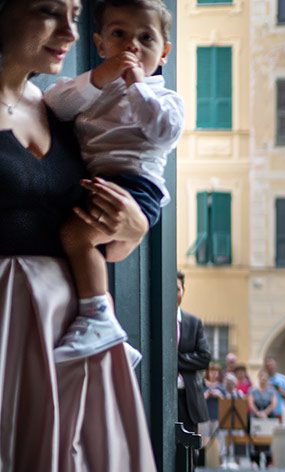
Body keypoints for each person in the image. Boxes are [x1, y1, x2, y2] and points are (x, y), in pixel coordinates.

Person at [0, 1, 173, 472]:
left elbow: (126, 213)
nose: (74, 36)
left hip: (67, 334)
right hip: (8, 334)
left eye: (76, 15)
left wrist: (139, 221)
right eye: (52, 13)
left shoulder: (64, 111)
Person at [48, 0, 182, 364]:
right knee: (71, 238)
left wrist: (137, 86)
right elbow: (56, 104)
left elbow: (163, 132)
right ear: (100, 44)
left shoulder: (163, 97)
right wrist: (98, 78)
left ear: (164, 52)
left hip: (138, 186)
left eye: (145, 38)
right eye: (119, 35)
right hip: (99, 181)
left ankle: (98, 320)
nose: (132, 46)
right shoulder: (93, 91)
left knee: (77, 237)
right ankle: (107, 333)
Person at [176, 269, 211, 434]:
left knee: (190, 452)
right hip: (161, 399)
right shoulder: (153, 321)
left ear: (183, 291)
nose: (173, 293)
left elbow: (204, 358)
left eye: (177, 289)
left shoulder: (194, 323)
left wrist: (173, 361)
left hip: (187, 399)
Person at [264, 355, 285, 419]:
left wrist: (279, 389)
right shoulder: (263, 379)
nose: (270, 367)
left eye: (272, 365)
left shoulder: (282, 378)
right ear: (266, 367)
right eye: (268, 366)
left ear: (275, 366)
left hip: (280, 412)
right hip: (266, 412)